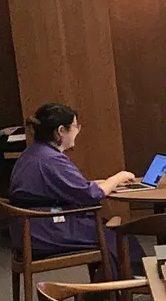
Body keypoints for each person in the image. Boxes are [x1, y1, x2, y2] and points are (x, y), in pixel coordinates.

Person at [8, 102, 143, 265]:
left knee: (106, 230)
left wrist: (105, 183)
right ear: (61, 131)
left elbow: (70, 187)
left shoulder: (35, 152)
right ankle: (137, 281)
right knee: (117, 235)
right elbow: (90, 195)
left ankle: (104, 289)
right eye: (75, 126)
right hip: (43, 230)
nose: (77, 131)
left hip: (29, 227)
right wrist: (119, 177)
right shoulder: (52, 159)